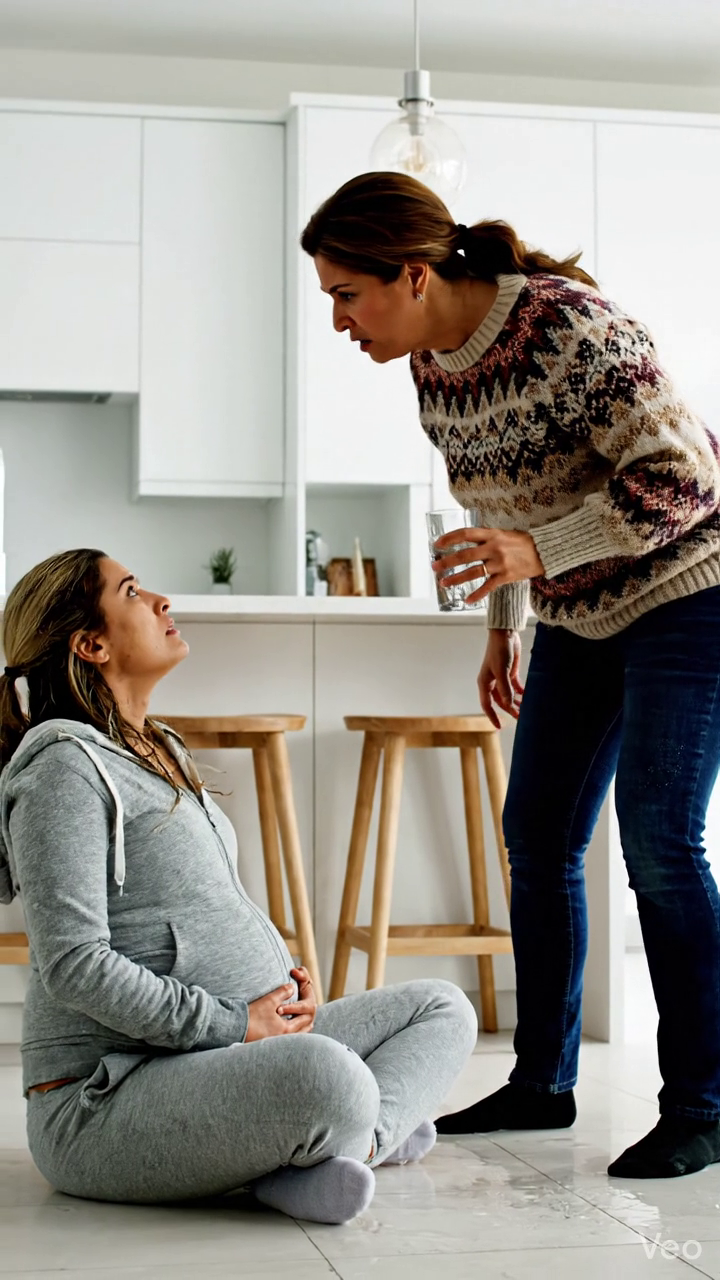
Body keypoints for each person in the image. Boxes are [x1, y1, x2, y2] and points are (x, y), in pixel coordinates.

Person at [301, 171, 720, 1180]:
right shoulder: (434, 367)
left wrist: (537, 556)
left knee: (660, 838)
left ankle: (704, 1103)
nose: (339, 322)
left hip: (689, 589)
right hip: (576, 611)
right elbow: (497, 511)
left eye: (346, 295)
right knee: (535, 833)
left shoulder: (573, 329)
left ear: (410, 274)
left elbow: (688, 478)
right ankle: (545, 1080)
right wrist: (507, 622)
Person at [0, 549, 478, 1224]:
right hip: (105, 1098)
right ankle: (344, 1135)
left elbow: (200, 912)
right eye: (133, 591)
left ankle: (339, 1149)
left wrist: (281, 984)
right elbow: (73, 965)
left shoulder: (157, 746)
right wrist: (234, 1020)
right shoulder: (63, 770)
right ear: (91, 643)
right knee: (330, 1078)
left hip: (224, 1053)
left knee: (443, 1010)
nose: (162, 600)